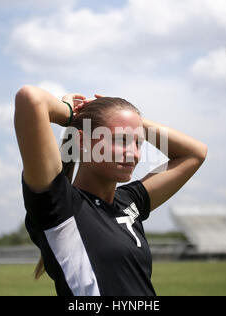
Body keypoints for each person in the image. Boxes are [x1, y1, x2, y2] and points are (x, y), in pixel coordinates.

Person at [14, 86, 208, 296]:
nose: (133, 154)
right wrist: (70, 113)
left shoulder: (129, 202)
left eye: (138, 143)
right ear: (82, 141)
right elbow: (30, 98)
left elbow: (195, 153)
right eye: (120, 140)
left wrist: (133, 120)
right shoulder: (60, 205)